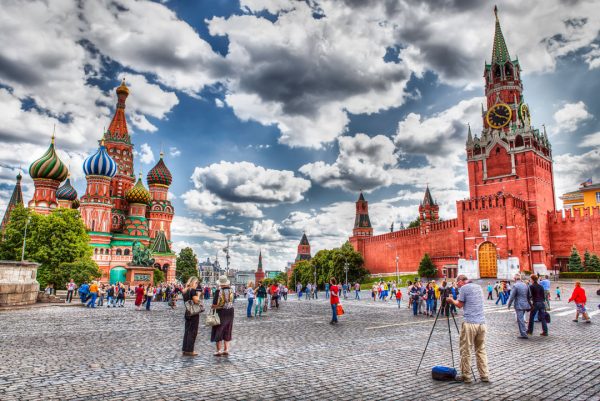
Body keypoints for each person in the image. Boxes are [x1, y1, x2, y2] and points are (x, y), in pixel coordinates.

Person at [446, 274, 490, 383]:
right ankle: (484, 375)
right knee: (481, 350)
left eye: (458, 283)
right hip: (482, 323)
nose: (458, 285)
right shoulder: (478, 287)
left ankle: (466, 376)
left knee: (466, 350)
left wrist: (451, 300)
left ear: (461, 281)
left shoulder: (464, 288)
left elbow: (460, 305)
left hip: (470, 323)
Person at [211, 275, 235, 356]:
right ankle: (226, 349)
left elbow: (214, 303)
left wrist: (213, 306)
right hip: (230, 311)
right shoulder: (231, 290)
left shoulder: (218, 291)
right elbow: (232, 301)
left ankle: (218, 350)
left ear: (220, 284)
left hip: (221, 312)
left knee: (219, 329)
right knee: (228, 328)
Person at [181, 277, 202, 356]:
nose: (197, 285)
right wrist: (198, 295)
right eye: (197, 283)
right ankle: (190, 350)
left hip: (187, 312)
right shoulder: (192, 290)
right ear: (194, 283)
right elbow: (196, 300)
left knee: (187, 331)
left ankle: (185, 349)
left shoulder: (185, 290)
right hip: (194, 313)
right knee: (193, 332)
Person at [507, 274, 530, 339]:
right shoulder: (525, 284)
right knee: (521, 319)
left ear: (515, 279)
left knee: (520, 320)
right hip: (525, 304)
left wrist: (509, 304)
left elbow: (512, 296)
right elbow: (529, 294)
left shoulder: (515, 285)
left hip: (519, 305)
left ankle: (523, 334)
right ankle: (524, 331)